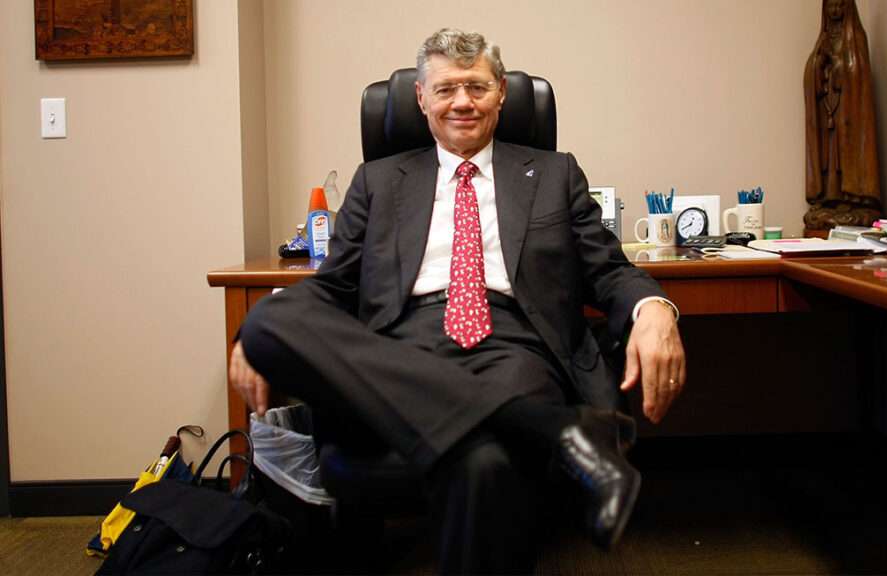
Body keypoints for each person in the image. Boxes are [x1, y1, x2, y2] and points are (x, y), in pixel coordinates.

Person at [230, 28, 685, 574]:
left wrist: (654, 308)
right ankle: (555, 429)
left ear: (501, 95)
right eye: (446, 89)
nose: (462, 102)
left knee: (480, 459)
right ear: (421, 99)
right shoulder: (377, 180)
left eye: (476, 87)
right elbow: (330, 287)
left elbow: (609, 270)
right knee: (267, 321)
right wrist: (256, 337)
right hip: (398, 348)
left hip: (513, 344)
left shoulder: (554, 173)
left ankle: (533, 423)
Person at [804, 0, 881, 231]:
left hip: (849, 115)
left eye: (839, 6)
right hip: (828, 110)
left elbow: (857, 72)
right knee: (828, 159)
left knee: (846, 155)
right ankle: (830, 197)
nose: (834, 11)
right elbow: (810, 74)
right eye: (830, 6)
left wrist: (838, 65)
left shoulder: (856, 38)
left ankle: (854, 198)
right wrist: (818, 63)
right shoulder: (824, 40)